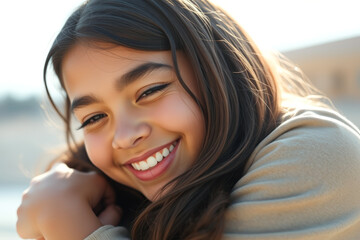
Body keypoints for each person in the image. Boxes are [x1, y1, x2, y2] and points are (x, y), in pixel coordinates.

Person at [16, 0, 360, 239]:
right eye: (94, 117)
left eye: (149, 91)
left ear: (218, 68)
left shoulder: (317, 152)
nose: (123, 136)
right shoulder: (109, 197)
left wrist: (69, 223)